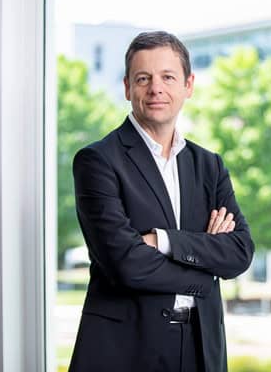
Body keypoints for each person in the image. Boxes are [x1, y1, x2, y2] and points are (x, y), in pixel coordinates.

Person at [68, 31, 255, 372]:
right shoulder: (98, 161)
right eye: (144, 78)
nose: (156, 88)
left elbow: (239, 252)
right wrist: (206, 271)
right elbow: (126, 264)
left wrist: (162, 241)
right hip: (126, 350)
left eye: (168, 77)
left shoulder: (209, 166)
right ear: (128, 88)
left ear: (188, 85)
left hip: (202, 348)